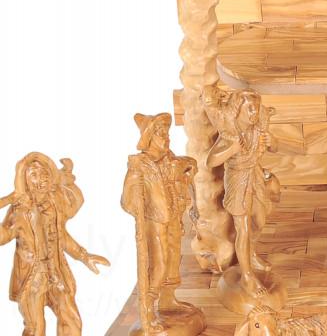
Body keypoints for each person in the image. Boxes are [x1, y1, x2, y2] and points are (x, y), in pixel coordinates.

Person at [0, 152, 109, 336]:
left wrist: (84, 256)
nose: (41, 178)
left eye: (44, 173)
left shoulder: (54, 204)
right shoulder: (19, 211)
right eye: (34, 175)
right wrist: (8, 199)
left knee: (71, 319)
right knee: (35, 328)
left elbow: (61, 236)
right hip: (32, 278)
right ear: (25, 181)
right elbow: (3, 237)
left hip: (56, 273)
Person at [122, 113, 198, 333]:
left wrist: (188, 172)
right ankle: (147, 310)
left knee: (173, 260)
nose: (166, 137)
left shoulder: (170, 159)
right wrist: (135, 194)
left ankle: (168, 300)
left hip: (172, 219)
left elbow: (188, 166)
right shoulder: (139, 167)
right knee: (159, 264)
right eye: (160, 133)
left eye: (167, 132)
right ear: (148, 138)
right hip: (154, 222)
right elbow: (127, 201)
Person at [205, 88, 276, 298]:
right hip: (237, 180)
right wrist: (232, 149)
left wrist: (272, 142)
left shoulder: (257, 130)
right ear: (238, 110)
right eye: (250, 109)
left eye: (256, 109)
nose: (254, 113)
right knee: (242, 229)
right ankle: (247, 276)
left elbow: (274, 147)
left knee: (259, 220)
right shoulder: (230, 134)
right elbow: (211, 161)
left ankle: (250, 254)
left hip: (254, 176)